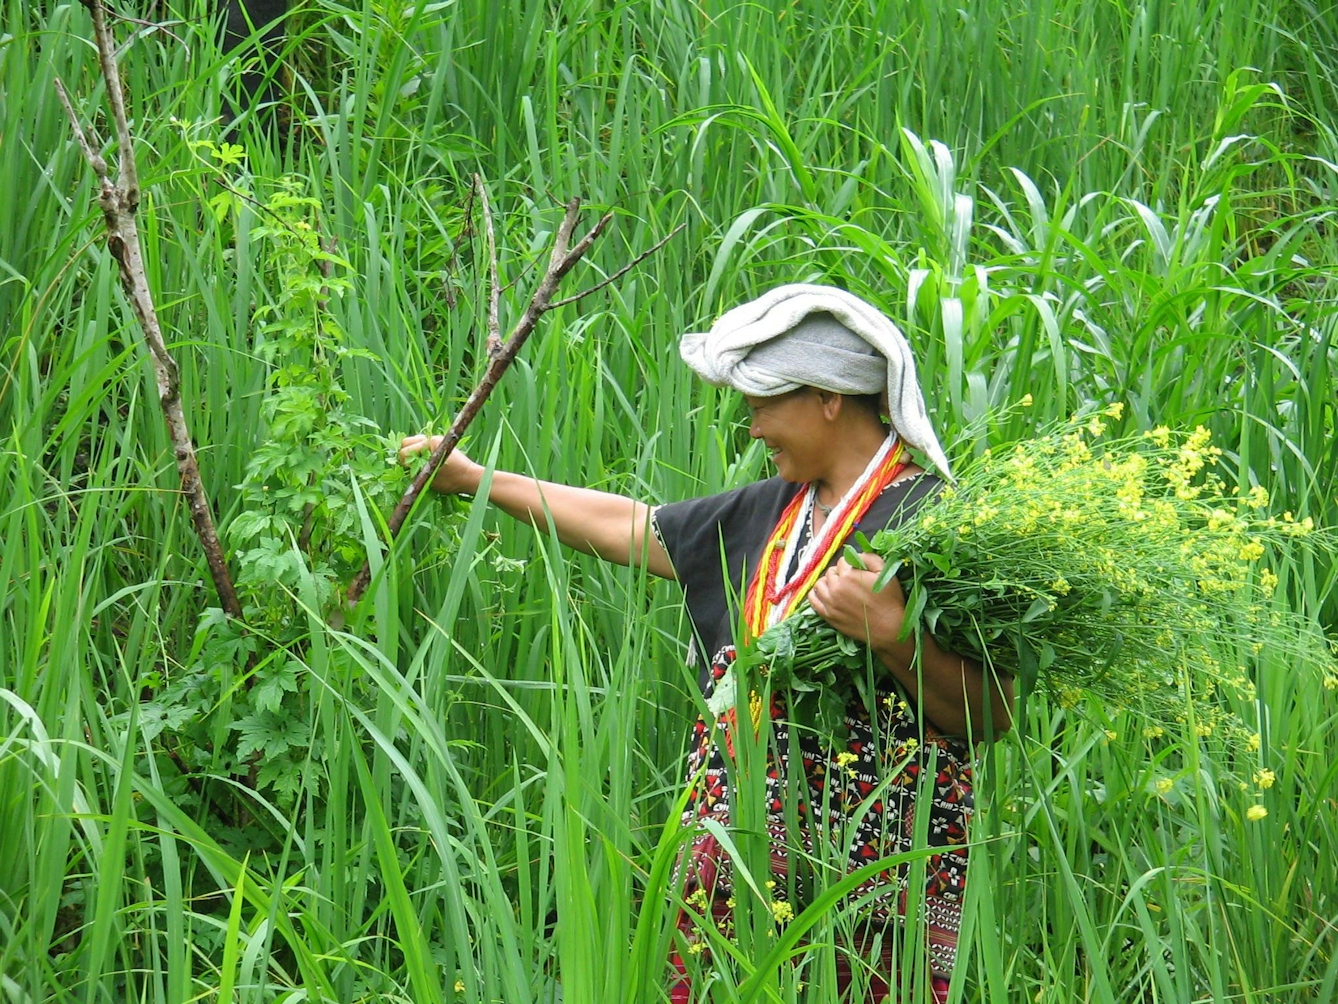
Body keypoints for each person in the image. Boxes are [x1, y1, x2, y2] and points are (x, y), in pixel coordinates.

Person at [400, 284, 1014, 1002]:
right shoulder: (770, 511)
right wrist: (478, 480)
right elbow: (633, 528)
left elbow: (991, 713)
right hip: (736, 877)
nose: (752, 428)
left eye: (762, 405)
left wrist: (893, 637)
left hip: (877, 894)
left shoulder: (937, 524)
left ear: (828, 398)